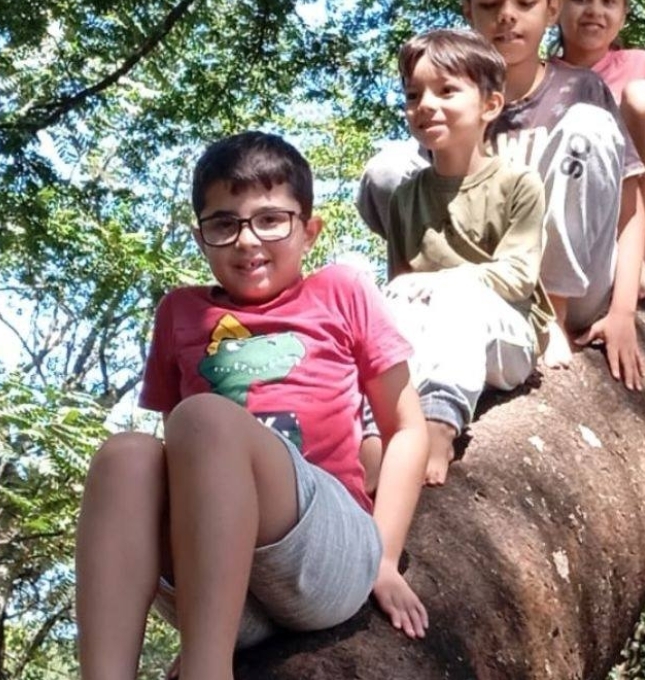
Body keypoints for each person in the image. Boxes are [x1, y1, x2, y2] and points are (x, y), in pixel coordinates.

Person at [74, 131, 429, 680]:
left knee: (203, 418)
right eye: (224, 224)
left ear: (309, 230)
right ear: (201, 238)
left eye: (270, 219)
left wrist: (384, 558)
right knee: (125, 456)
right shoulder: (179, 312)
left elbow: (405, 427)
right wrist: (200, 628)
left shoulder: (340, 290)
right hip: (221, 589)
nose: (246, 240)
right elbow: (180, 468)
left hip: (321, 560)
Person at [358, 0, 645, 393]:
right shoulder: (446, 110)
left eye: (524, 2)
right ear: (469, 13)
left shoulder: (581, 88)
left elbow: (630, 211)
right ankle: (424, 323)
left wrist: (623, 313)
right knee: (388, 168)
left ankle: (552, 317)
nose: (507, 14)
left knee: (588, 127)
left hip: (574, 285)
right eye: (490, 4)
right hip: (476, 283)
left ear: (551, 10)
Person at [361, 28, 556, 489]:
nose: (425, 105)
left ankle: (440, 424)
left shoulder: (517, 183)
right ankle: (373, 431)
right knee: (380, 306)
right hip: (434, 332)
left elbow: (518, 275)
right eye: (414, 95)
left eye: (446, 91)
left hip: (505, 332)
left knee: (458, 299)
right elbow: (403, 285)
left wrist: (447, 282)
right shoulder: (405, 197)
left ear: (490, 105)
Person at [555, 0, 645, 284]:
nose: (595, 11)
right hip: (578, 218)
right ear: (554, 8)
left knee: (643, 96)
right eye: (581, 0)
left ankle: (634, 256)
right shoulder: (542, 76)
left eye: (609, 3)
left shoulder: (638, 64)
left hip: (644, 215)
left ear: (623, 16)